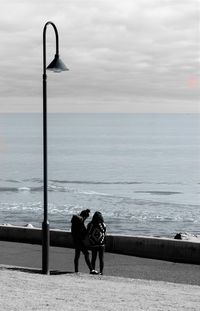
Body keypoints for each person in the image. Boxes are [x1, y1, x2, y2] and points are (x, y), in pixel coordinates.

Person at [71, 209, 98, 274]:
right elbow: (84, 232)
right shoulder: (81, 222)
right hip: (80, 241)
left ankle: (76, 270)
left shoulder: (75, 222)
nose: (86, 219)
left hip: (75, 240)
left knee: (77, 255)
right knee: (86, 254)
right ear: (85, 216)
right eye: (86, 218)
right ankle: (91, 270)